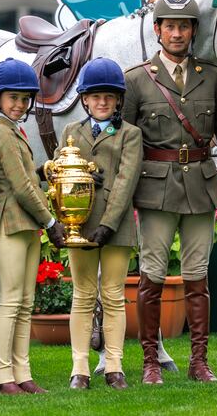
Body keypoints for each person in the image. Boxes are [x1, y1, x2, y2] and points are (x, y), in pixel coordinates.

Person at [121, 0, 217, 385]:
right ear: (157, 29)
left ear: (194, 31)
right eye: (170, 26)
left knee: (198, 277)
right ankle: (150, 363)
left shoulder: (211, 75)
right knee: (152, 276)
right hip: (156, 188)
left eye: (184, 26)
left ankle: (199, 362)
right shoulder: (137, 80)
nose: (177, 34)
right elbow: (126, 141)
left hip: (200, 185)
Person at [58, 58, 143, 391]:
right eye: (95, 96)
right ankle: (79, 367)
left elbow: (125, 180)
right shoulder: (70, 132)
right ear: (84, 99)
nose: (102, 102)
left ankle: (114, 365)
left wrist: (108, 224)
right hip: (79, 224)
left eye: (109, 96)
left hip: (116, 225)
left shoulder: (130, 134)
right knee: (82, 294)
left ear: (118, 99)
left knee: (112, 294)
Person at [0, 58, 66, 395]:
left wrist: (47, 169)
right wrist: (50, 222)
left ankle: (22, 373)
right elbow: (20, 186)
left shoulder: (13, 130)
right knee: (10, 300)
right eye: (13, 98)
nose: (19, 105)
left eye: (24, 99)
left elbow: (28, 174)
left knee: (23, 301)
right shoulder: (1, 133)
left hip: (26, 222)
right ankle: (2, 376)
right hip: (12, 221)